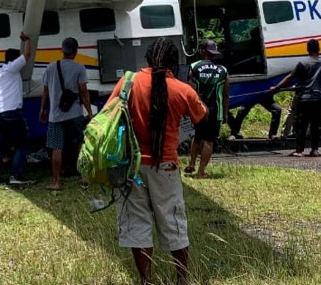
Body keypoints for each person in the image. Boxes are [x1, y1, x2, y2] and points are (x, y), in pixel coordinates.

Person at [109, 38, 207, 285]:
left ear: (148, 59)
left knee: (137, 223)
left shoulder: (128, 82)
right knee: (173, 221)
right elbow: (203, 121)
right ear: (174, 62)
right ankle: (182, 279)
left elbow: (109, 114)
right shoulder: (182, 90)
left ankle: (145, 280)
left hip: (130, 166)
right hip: (166, 167)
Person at [40, 37, 92, 190]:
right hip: (75, 114)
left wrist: (42, 109)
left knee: (57, 147)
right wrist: (89, 111)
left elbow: (45, 91)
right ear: (76, 51)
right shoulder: (79, 68)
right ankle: (83, 177)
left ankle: (56, 182)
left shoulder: (50, 67)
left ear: (62, 51)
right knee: (79, 145)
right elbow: (83, 91)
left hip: (55, 116)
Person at [269, 39, 321, 157]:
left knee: (302, 124)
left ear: (307, 49)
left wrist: (277, 87)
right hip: (319, 98)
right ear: (319, 48)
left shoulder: (303, 63)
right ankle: (314, 150)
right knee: (315, 125)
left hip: (305, 98)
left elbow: (290, 77)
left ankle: (299, 150)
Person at [0, 32, 33, 186]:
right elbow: (27, 55)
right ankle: (16, 176)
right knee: (22, 144)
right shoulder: (12, 69)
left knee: (0, 146)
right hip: (11, 112)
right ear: (15, 60)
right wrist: (27, 40)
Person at [185, 40, 229, 178]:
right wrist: (226, 113)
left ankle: (192, 164)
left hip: (198, 109)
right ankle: (201, 172)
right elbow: (226, 94)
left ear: (202, 51)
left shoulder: (194, 67)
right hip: (215, 110)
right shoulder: (223, 71)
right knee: (209, 141)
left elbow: (189, 90)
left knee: (197, 136)